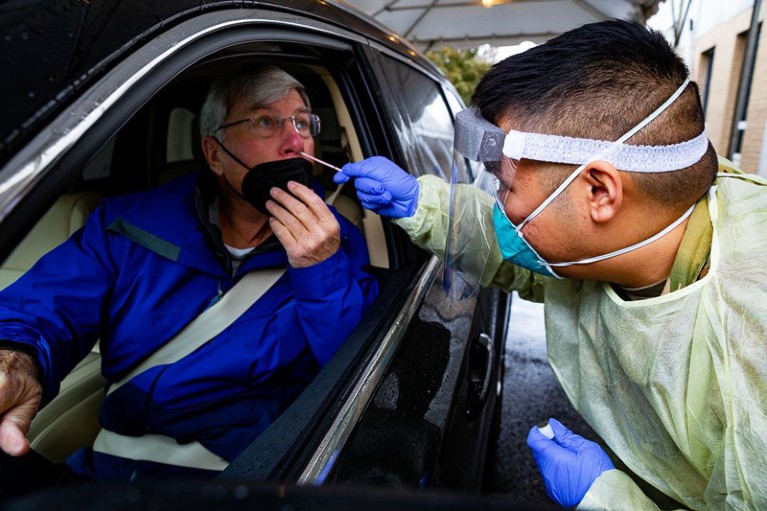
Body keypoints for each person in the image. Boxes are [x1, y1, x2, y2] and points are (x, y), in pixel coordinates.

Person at [333, 19, 767, 511]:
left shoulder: (752, 332)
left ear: (599, 192)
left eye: (505, 187)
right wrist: (422, 205)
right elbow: (527, 256)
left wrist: (610, 500)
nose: (498, 205)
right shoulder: (636, 227)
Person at [0, 65, 379, 486]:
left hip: (256, 475)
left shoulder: (336, 243)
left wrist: (320, 271)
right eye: (266, 122)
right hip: (113, 468)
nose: (295, 143)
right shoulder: (130, 225)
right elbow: (48, 305)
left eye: (303, 123)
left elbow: (356, 374)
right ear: (214, 154)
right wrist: (16, 361)